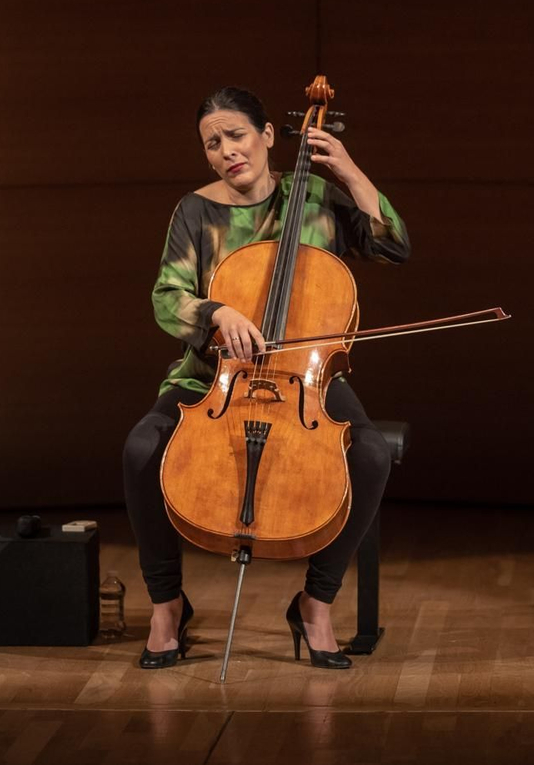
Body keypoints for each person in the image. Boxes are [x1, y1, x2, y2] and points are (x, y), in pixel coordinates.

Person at [121, 85, 410, 669]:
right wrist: (216, 312)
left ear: (268, 136)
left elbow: (393, 247)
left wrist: (352, 173)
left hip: (304, 378)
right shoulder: (196, 211)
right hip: (213, 377)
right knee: (140, 449)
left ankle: (315, 603)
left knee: (371, 455)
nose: (227, 151)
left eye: (236, 135)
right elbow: (166, 297)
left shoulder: (321, 201)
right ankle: (167, 604)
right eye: (212, 143)